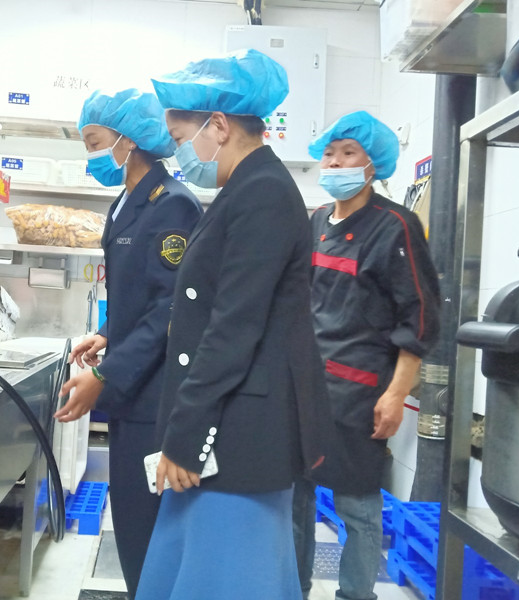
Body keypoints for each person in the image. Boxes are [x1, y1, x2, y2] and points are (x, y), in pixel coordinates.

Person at [135, 49, 331, 600]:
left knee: (229, 575)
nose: (180, 154)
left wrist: (186, 437)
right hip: (225, 422)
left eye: (181, 138)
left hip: (240, 431)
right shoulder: (243, 188)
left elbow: (234, 328)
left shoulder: (263, 192)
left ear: (218, 126)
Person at [54, 88, 203, 599]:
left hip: (154, 399)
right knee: (133, 523)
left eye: (95, 141)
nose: (91, 155)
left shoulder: (174, 205)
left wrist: (105, 375)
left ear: (130, 139)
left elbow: (170, 309)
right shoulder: (124, 203)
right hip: (130, 393)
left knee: (149, 530)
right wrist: (107, 334)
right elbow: (135, 295)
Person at [292, 111, 441, 600]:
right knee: (296, 497)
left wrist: (396, 394)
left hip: (359, 392)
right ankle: (293, 588)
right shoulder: (317, 221)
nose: (335, 163)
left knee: (356, 506)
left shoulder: (395, 226)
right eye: (329, 154)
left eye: (348, 153)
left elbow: (419, 318)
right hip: (306, 386)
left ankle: (356, 594)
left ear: (372, 164)